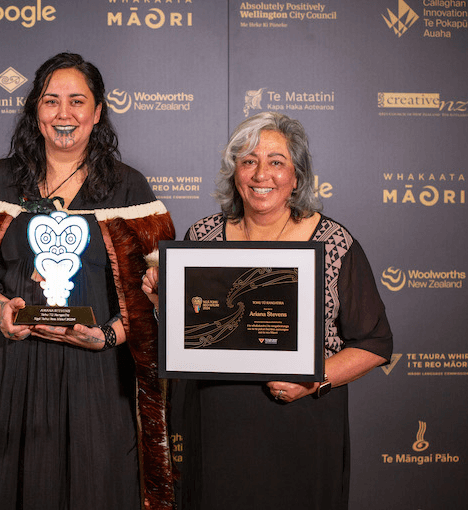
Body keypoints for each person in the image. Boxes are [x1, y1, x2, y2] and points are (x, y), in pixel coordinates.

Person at [0, 52, 176, 510]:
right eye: (51, 100)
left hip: (100, 376)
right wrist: (1, 312)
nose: (64, 113)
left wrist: (107, 336)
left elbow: (161, 296)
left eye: (77, 101)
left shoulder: (129, 188)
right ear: (35, 109)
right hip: (16, 369)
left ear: (98, 112)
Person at [141, 112, 393, 510]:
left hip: (301, 425)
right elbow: (187, 333)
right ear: (235, 173)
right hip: (217, 428)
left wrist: (314, 380)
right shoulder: (203, 237)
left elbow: (375, 343)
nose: (261, 174)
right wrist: (161, 302)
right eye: (249, 161)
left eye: (276, 162)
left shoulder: (335, 243)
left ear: (297, 176)